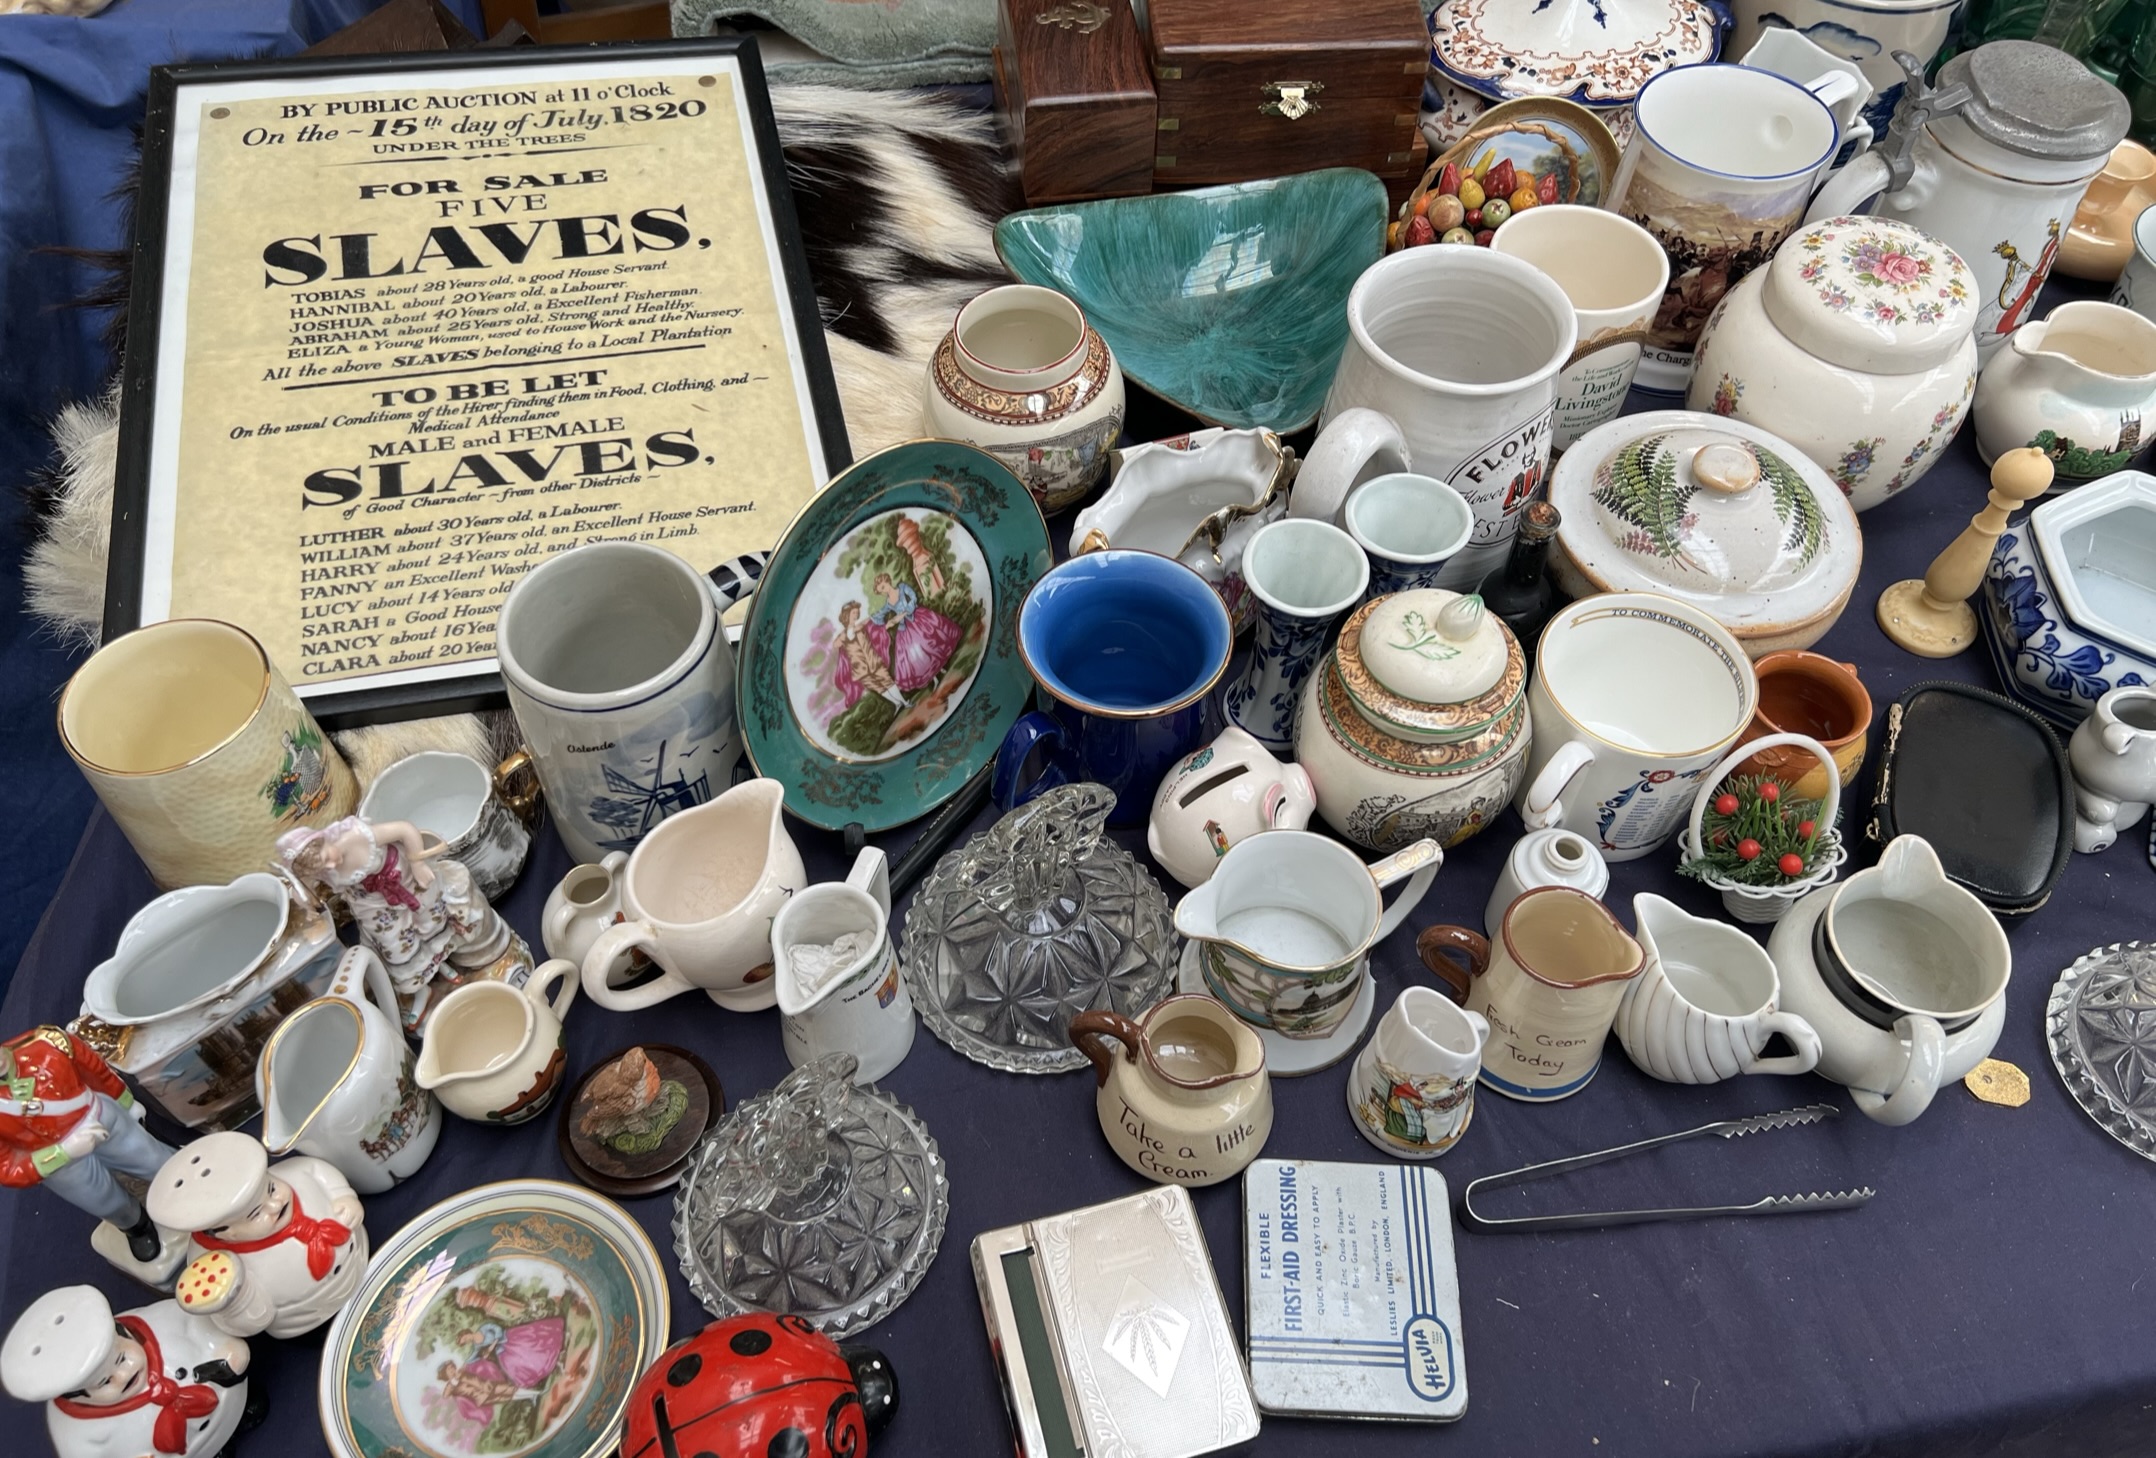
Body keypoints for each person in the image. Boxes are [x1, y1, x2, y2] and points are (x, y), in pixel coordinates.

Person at [2, 1286, 253, 1458]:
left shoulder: (159, 1321)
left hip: (228, 1404)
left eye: (122, 1359)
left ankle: (242, 1414)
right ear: (74, 1396)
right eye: (104, 1382)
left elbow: (193, 1321)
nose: (122, 1376)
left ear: (122, 1334)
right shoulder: (78, 1434)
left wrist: (224, 1347)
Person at [0, 1027, 177, 1264]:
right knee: (104, 1200)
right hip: (58, 1162)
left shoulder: (49, 1041)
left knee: (152, 1159)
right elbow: (7, 1168)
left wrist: (125, 1102)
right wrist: (62, 1153)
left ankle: (184, 1183)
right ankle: (137, 1225)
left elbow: (95, 1069)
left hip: (98, 1117)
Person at [867, 572, 963, 694]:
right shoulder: (888, 604)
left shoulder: (901, 587)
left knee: (930, 642)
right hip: (905, 628)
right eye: (881, 591)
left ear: (887, 581)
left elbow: (913, 597)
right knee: (917, 654)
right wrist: (877, 622)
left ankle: (941, 669)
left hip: (917, 617)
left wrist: (908, 610)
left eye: (883, 587)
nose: (883, 591)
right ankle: (933, 679)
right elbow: (878, 617)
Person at [830, 602, 906, 712]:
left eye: (857, 612)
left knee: (887, 681)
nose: (856, 615)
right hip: (860, 669)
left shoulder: (861, 626)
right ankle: (897, 704)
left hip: (873, 661)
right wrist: (846, 635)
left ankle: (904, 701)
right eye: (853, 613)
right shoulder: (842, 636)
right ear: (846, 615)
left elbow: (871, 624)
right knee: (878, 688)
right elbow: (836, 644)